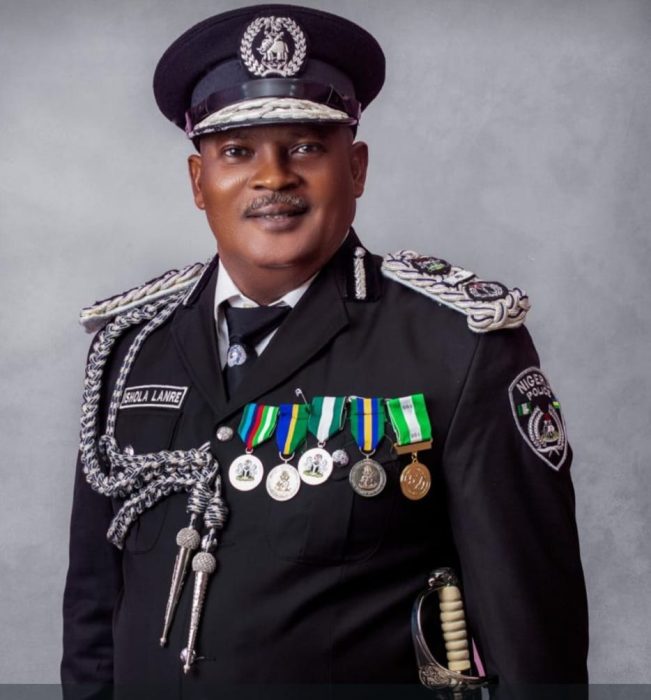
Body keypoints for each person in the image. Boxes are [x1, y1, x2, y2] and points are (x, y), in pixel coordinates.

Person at [61, 3, 589, 692]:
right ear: (198, 181)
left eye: (306, 147)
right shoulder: (130, 348)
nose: (273, 177)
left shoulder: (458, 350)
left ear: (357, 168)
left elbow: (533, 642)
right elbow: (93, 616)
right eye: (237, 151)